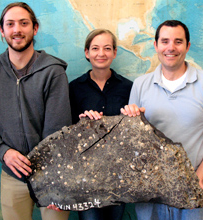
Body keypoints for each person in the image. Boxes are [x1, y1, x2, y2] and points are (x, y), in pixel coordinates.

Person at [121, 20, 203, 220]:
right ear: (156, 46)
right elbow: (133, 140)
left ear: (188, 46)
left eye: (178, 41)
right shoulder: (140, 84)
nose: (171, 47)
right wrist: (129, 118)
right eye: (165, 41)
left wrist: (195, 181)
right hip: (150, 195)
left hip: (192, 194)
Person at [0, 2, 71, 220]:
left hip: (53, 175)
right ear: (2, 30)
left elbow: (58, 129)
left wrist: (53, 176)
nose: (17, 29)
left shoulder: (53, 72)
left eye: (24, 23)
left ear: (35, 28)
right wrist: (4, 151)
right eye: (10, 24)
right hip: (12, 174)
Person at [69, 29, 133, 220]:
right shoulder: (74, 87)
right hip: (86, 174)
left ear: (114, 52)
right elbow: (68, 132)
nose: (101, 53)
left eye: (107, 48)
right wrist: (83, 124)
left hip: (119, 174)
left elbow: (133, 131)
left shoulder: (128, 87)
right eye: (95, 48)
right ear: (87, 52)